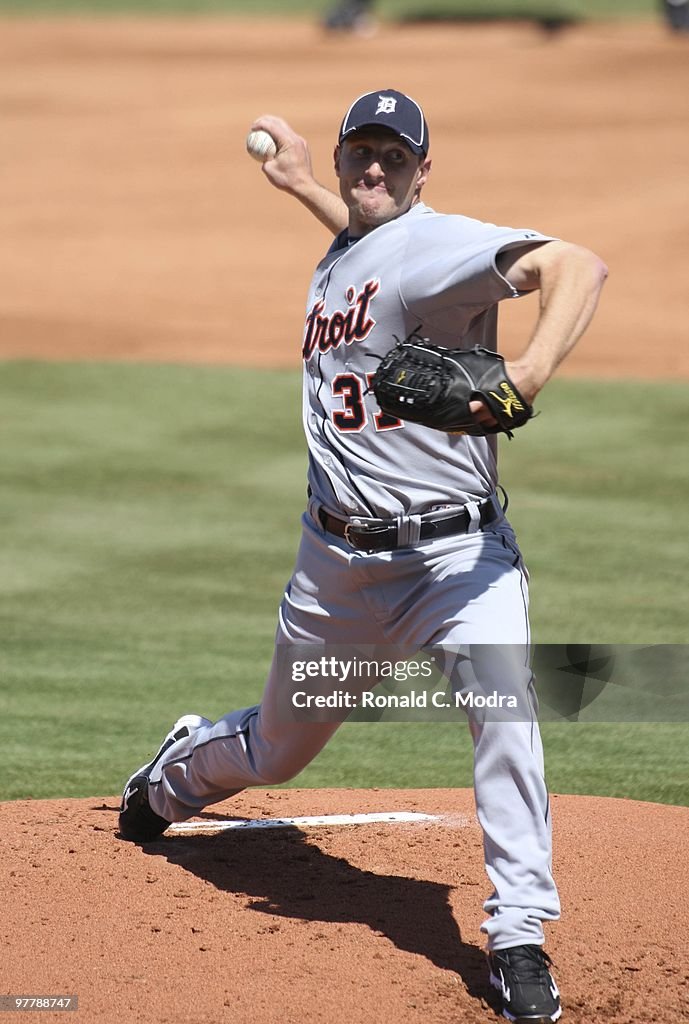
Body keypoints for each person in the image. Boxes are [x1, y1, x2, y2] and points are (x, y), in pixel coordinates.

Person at [119, 89, 607, 1023]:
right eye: (360, 154)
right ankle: (175, 773)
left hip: (457, 561)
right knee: (277, 750)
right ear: (344, 161)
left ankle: (518, 938)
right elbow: (368, 239)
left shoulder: (440, 244)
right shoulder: (353, 242)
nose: (373, 169)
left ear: (426, 169)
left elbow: (576, 264)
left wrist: (526, 376)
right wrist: (305, 186)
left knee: (503, 711)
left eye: (393, 155)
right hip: (336, 568)